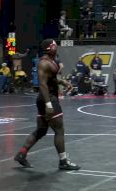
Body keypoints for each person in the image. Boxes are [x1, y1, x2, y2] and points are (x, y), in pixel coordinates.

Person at [13, 39, 80, 170]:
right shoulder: (44, 63)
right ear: (49, 48)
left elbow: (53, 78)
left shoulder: (51, 61)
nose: (56, 47)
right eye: (54, 45)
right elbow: (42, 84)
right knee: (59, 130)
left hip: (45, 99)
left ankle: (22, 154)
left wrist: (64, 83)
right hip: (48, 99)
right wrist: (49, 104)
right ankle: (63, 161)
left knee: (41, 130)